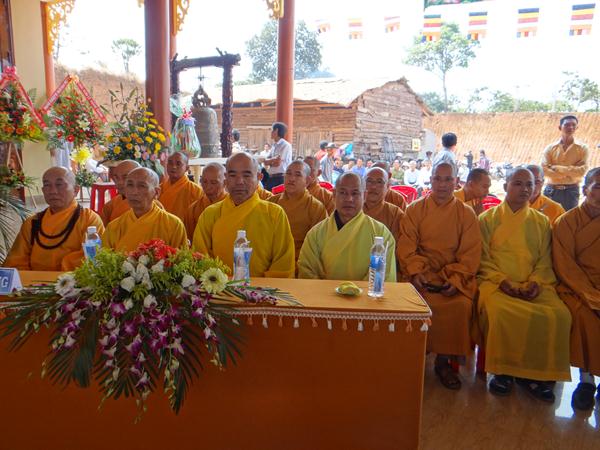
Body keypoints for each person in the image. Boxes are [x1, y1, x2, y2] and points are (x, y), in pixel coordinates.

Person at [477, 167, 571, 402]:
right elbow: (482, 259)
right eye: (518, 183)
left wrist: (536, 282)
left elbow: (545, 260)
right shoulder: (487, 219)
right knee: (499, 313)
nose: (525, 189)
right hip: (497, 284)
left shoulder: (542, 222)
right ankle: (503, 372)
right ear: (505, 186)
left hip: (534, 285)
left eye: (529, 184)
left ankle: (539, 375)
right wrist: (502, 281)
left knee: (559, 315)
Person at [397, 162, 481, 390]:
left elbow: (470, 253)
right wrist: (415, 272)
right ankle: (412, 357)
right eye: (438, 178)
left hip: (450, 278)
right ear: (430, 180)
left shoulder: (466, 214)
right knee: (408, 304)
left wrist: (455, 279)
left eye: (448, 179)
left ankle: (443, 362)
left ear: (457, 182)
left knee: (461, 306)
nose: (442, 184)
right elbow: (406, 246)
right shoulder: (414, 210)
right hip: (420, 277)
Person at [192, 153, 295, 278]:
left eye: (246, 175)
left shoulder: (275, 214)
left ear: (259, 177)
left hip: (263, 289)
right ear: (226, 178)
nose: (239, 182)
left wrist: (259, 288)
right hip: (218, 287)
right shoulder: (210, 214)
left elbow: (283, 265)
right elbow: (200, 259)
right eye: (233, 175)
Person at [552, 167, 600, 410]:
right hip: (575, 288)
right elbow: (565, 266)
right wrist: (593, 297)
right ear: (585, 190)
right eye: (598, 187)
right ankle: (587, 380)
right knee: (585, 316)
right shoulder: (567, 222)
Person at [298, 172, 396, 281]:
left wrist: (355, 290)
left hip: (364, 292)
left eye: (355, 193)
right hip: (323, 292)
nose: (349, 199)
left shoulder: (381, 234)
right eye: (343, 193)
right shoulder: (316, 233)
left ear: (364, 196)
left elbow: (381, 278)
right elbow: (307, 271)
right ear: (334, 195)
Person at [4, 167, 104, 271]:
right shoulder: (32, 223)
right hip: (34, 280)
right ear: (43, 190)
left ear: (76, 190)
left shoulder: (89, 220)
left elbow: (93, 259)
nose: (52, 191)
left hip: (73, 280)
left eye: (59, 184)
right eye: (47, 185)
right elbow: (16, 262)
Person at [103, 168, 188, 251]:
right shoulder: (113, 227)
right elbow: (104, 259)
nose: (134, 192)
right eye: (130, 185)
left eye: (142, 186)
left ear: (156, 192)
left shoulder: (173, 225)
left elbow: (181, 259)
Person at [268, 160, 327, 262]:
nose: (291, 178)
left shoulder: (316, 208)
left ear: (307, 181)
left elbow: (318, 244)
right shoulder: (271, 202)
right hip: (270, 259)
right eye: (288, 173)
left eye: (298, 175)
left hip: (299, 261)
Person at [541, 115, 589, 211]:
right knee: (548, 217)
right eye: (567, 125)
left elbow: (582, 171)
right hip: (551, 190)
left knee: (569, 218)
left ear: (577, 128)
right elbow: (544, 170)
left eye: (573, 125)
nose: (570, 127)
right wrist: (570, 172)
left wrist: (557, 168)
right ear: (560, 127)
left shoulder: (582, 148)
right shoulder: (550, 148)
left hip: (571, 191)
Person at [183, 162, 227, 239]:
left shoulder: (233, 205)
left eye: (214, 182)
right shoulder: (193, 209)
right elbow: (189, 239)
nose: (208, 187)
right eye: (204, 182)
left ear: (225, 183)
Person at [158, 152, 203, 221]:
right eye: (170, 163)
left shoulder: (196, 191)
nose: (173, 166)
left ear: (187, 168)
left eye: (178, 164)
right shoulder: (158, 189)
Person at [363, 167, 404, 242]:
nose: (373, 187)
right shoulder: (352, 209)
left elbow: (398, 244)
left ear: (387, 187)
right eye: (369, 181)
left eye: (379, 182)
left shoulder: (396, 214)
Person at [100, 160, 141, 225]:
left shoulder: (152, 204)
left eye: (125, 177)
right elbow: (103, 229)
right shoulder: (111, 205)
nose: (119, 182)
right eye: (116, 177)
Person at [263, 122, 293, 191]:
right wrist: (273, 160)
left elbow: (277, 162)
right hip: (271, 177)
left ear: (276, 131)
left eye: (272, 130)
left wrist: (270, 161)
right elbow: (265, 161)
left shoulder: (285, 145)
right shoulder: (274, 146)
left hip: (280, 178)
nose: (271, 132)